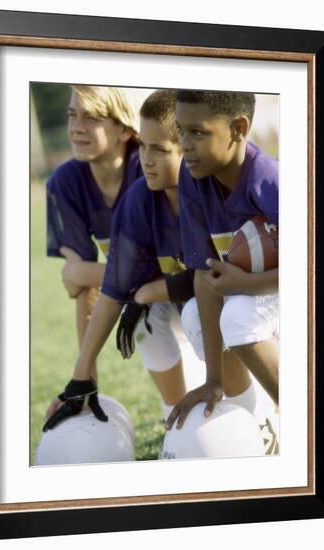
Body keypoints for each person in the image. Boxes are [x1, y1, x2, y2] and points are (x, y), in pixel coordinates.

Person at [43, 90, 259, 433]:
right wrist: (80, 378)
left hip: (251, 302)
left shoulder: (215, 189)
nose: (146, 159)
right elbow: (113, 289)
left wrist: (146, 291)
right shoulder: (139, 198)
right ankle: (176, 420)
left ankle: (254, 417)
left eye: (159, 149)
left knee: (199, 313)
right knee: (144, 317)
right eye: (144, 146)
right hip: (185, 302)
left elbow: (211, 278)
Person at [165, 89, 279, 437]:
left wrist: (243, 285)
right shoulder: (192, 177)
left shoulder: (270, 182)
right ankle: (260, 427)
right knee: (194, 318)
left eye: (198, 132)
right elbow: (204, 273)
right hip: (260, 294)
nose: (184, 143)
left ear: (239, 128)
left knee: (237, 316)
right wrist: (212, 380)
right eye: (180, 130)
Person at [46, 85, 145, 387]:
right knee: (143, 320)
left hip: (185, 291)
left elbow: (167, 272)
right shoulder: (66, 181)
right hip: (143, 295)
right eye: (72, 115)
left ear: (125, 129)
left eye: (91, 118)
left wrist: (85, 272)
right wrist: (85, 380)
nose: (76, 128)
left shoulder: (148, 168)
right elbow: (83, 288)